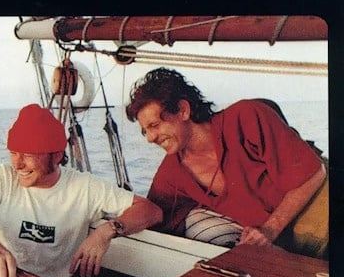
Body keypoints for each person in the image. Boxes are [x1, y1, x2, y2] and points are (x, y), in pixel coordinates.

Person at [0, 104, 162, 277]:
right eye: (13, 153)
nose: (18, 164)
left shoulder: (84, 186)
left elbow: (150, 210)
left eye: (28, 155)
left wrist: (107, 231)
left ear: (56, 156)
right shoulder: (1, 178)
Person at [125, 68, 328, 257]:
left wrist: (270, 229)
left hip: (322, 212)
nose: (150, 138)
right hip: (286, 248)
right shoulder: (171, 173)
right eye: (145, 131)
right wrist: (113, 227)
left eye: (155, 125)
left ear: (183, 110)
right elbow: (152, 213)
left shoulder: (245, 117)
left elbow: (314, 173)